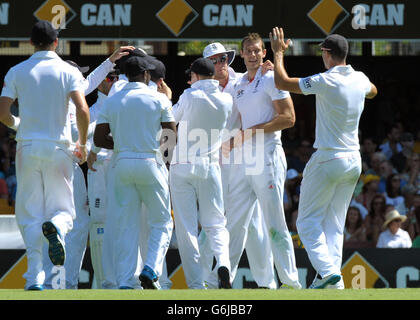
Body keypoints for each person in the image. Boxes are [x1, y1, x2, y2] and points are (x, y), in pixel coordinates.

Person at [269, 27, 377, 289]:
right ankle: (329, 282)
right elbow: (373, 91)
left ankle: (329, 272)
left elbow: (282, 82)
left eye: (322, 53)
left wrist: (278, 53)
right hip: (353, 160)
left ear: (328, 54)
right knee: (334, 223)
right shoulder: (360, 78)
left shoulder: (326, 80)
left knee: (305, 222)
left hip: (328, 158)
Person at [0, 20, 90, 290]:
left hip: (27, 148)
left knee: (29, 215)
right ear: (56, 43)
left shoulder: (17, 71)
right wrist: (82, 145)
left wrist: (19, 125)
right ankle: (57, 227)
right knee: (64, 212)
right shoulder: (66, 70)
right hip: (59, 148)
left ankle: (34, 278)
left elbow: (3, 114)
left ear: (30, 42)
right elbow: (83, 110)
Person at [224, 32, 301, 289]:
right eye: (249, 50)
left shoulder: (271, 79)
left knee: (274, 222)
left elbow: (288, 118)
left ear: (264, 53)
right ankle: (219, 281)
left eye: (258, 50)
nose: (254, 54)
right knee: (233, 220)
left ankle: (290, 283)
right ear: (242, 54)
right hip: (245, 158)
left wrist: (250, 131)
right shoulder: (239, 85)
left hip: (267, 154)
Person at [199, 42, 277, 289]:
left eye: (223, 58)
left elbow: (263, 97)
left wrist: (271, 69)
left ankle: (217, 281)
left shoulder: (244, 80)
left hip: (244, 160)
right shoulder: (200, 89)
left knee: (248, 223)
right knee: (218, 221)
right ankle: (204, 280)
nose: (220, 64)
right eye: (214, 60)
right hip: (214, 163)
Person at [94, 55, 176, 289]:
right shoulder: (159, 99)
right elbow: (171, 136)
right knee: (161, 221)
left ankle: (125, 282)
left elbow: (99, 138)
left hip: (122, 163)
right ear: (147, 75)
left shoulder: (112, 100)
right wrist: (159, 153)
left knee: (125, 225)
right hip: (151, 161)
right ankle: (151, 268)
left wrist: (122, 144)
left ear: (126, 76)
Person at [169, 57, 233, 289]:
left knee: (186, 228)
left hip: (182, 166)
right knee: (216, 223)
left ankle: (196, 285)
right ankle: (224, 263)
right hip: (210, 166)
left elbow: (169, 119)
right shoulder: (226, 99)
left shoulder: (188, 95)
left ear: (195, 76)